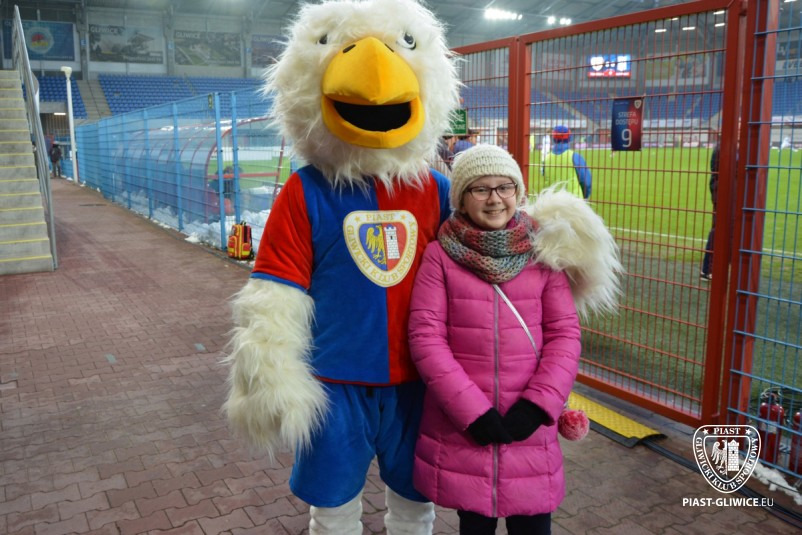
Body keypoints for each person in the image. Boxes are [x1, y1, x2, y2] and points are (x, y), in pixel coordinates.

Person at [408, 144, 582, 535]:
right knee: (474, 523)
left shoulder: (543, 253)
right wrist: (471, 411)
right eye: (480, 189)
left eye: (505, 187)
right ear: (461, 199)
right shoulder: (440, 256)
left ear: (518, 192)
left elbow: (565, 334)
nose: (495, 199)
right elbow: (426, 337)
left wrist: (538, 405)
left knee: (533, 525)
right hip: (467, 428)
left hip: (530, 428)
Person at [541, 125, 591, 199]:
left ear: (554, 138)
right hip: (573, 201)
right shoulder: (575, 157)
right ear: (569, 138)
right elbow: (586, 182)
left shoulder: (546, 159)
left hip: (552, 201)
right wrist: (585, 196)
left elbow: (544, 176)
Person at [700, 144, 719, 281]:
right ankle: (708, 268)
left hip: (733, 196)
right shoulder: (722, 148)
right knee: (718, 230)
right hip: (724, 196)